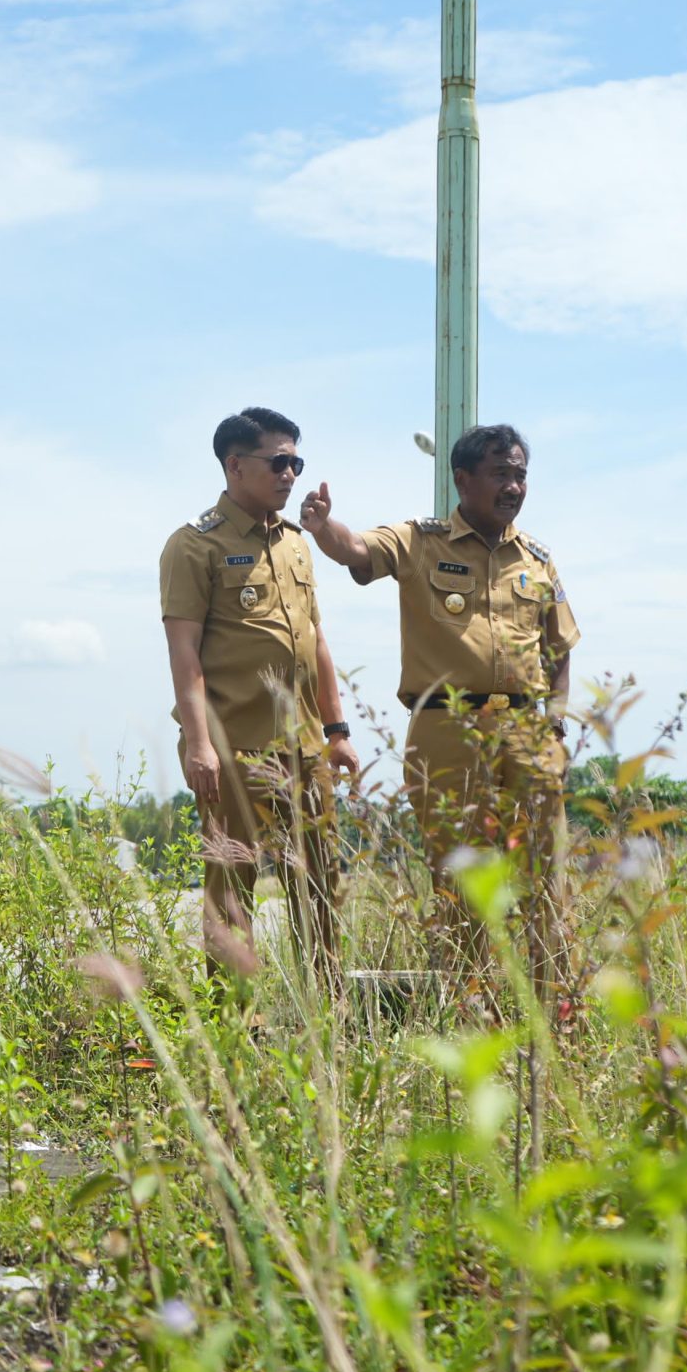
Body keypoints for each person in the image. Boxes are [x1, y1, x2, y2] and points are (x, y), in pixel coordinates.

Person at [299, 424, 578, 998]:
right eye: (501, 473)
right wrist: (324, 526)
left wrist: (555, 722)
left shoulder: (539, 559)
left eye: (521, 474)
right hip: (447, 729)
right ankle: (476, 1012)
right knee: (461, 874)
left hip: (529, 733)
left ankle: (555, 1017)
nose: (514, 486)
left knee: (546, 878)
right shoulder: (420, 540)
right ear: (463, 478)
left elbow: (560, 648)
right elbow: (356, 550)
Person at [159, 407, 359, 988]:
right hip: (233, 752)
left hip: (303, 749)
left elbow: (315, 639)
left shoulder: (297, 544)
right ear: (235, 464)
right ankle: (234, 1030)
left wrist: (337, 731)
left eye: (296, 462)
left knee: (321, 885)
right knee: (232, 894)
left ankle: (331, 1014)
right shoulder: (194, 545)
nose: (290, 474)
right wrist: (200, 745)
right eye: (278, 462)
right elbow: (184, 653)